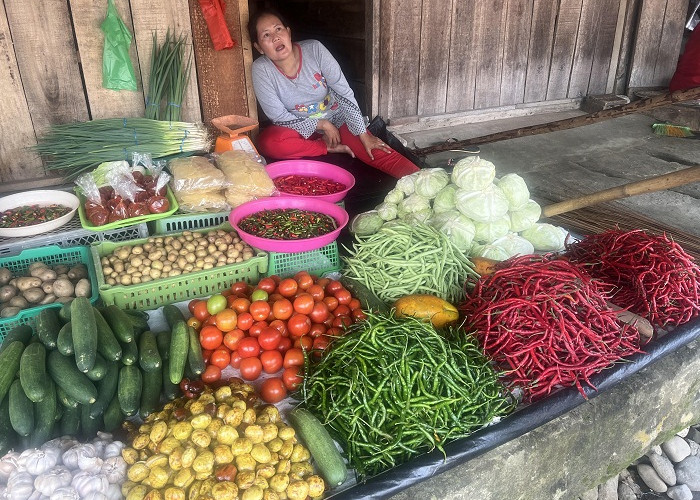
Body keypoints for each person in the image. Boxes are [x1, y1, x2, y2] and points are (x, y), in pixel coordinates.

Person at [248, 8, 420, 178]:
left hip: (337, 120)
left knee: (372, 148)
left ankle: (420, 177)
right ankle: (326, 147)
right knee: (269, 143)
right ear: (259, 47)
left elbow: (343, 91)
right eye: (266, 35)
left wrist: (362, 133)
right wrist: (322, 125)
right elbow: (278, 116)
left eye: (278, 29)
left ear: (288, 32)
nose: (275, 37)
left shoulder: (314, 50)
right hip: (297, 129)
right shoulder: (261, 69)